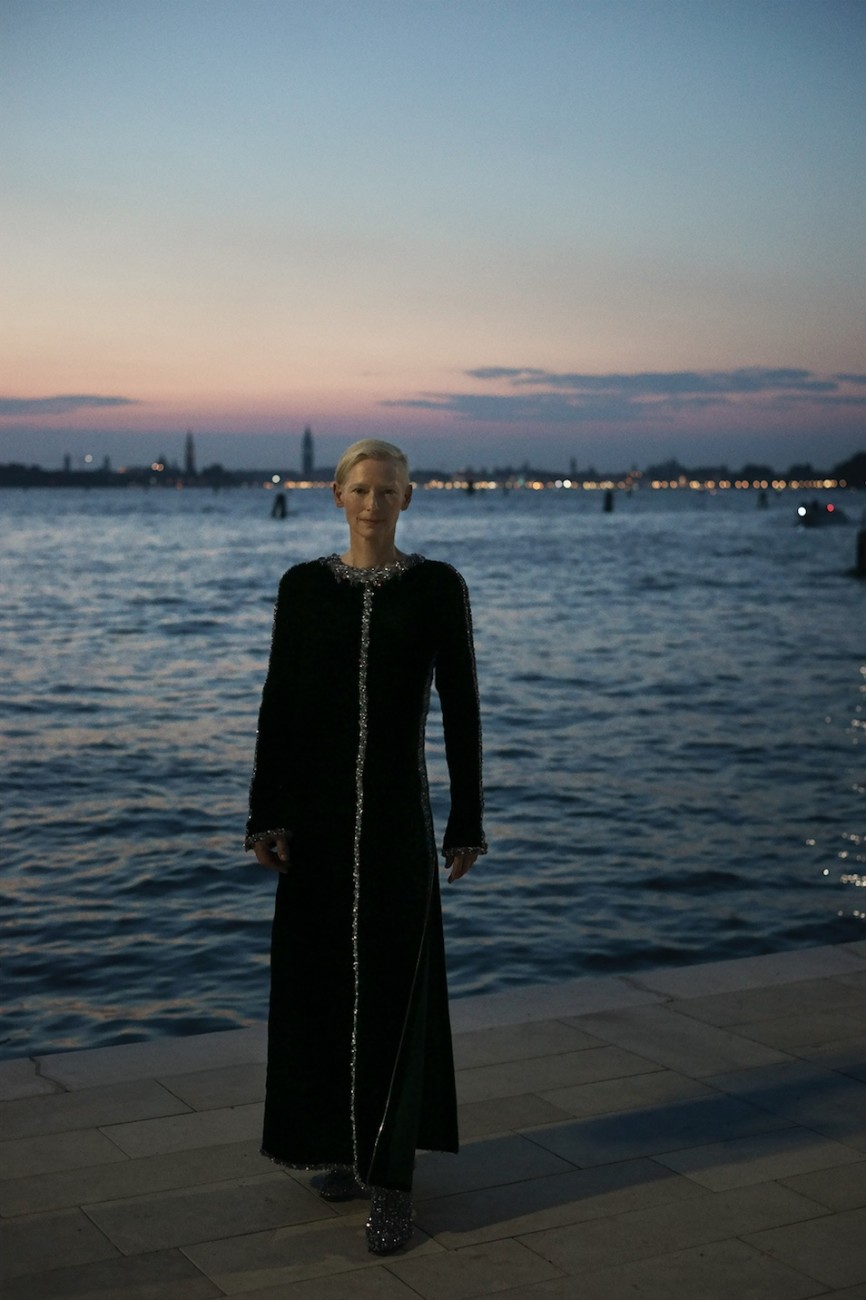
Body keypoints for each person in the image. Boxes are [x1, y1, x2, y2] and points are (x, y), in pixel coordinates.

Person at [245, 438, 486, 1254]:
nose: (374, 503)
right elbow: (278, 705)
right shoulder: (303, 590)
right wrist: (264, 813)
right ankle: (347, 1148)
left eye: (389, 491)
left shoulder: (435, 589)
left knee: (393, 992)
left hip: (394, 823)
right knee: (319, 988)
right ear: (337, 497)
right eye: (361, 490)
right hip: (313, 826)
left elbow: (461, 709)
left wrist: (467, 820)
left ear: (408, 500)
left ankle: (393, 1182)